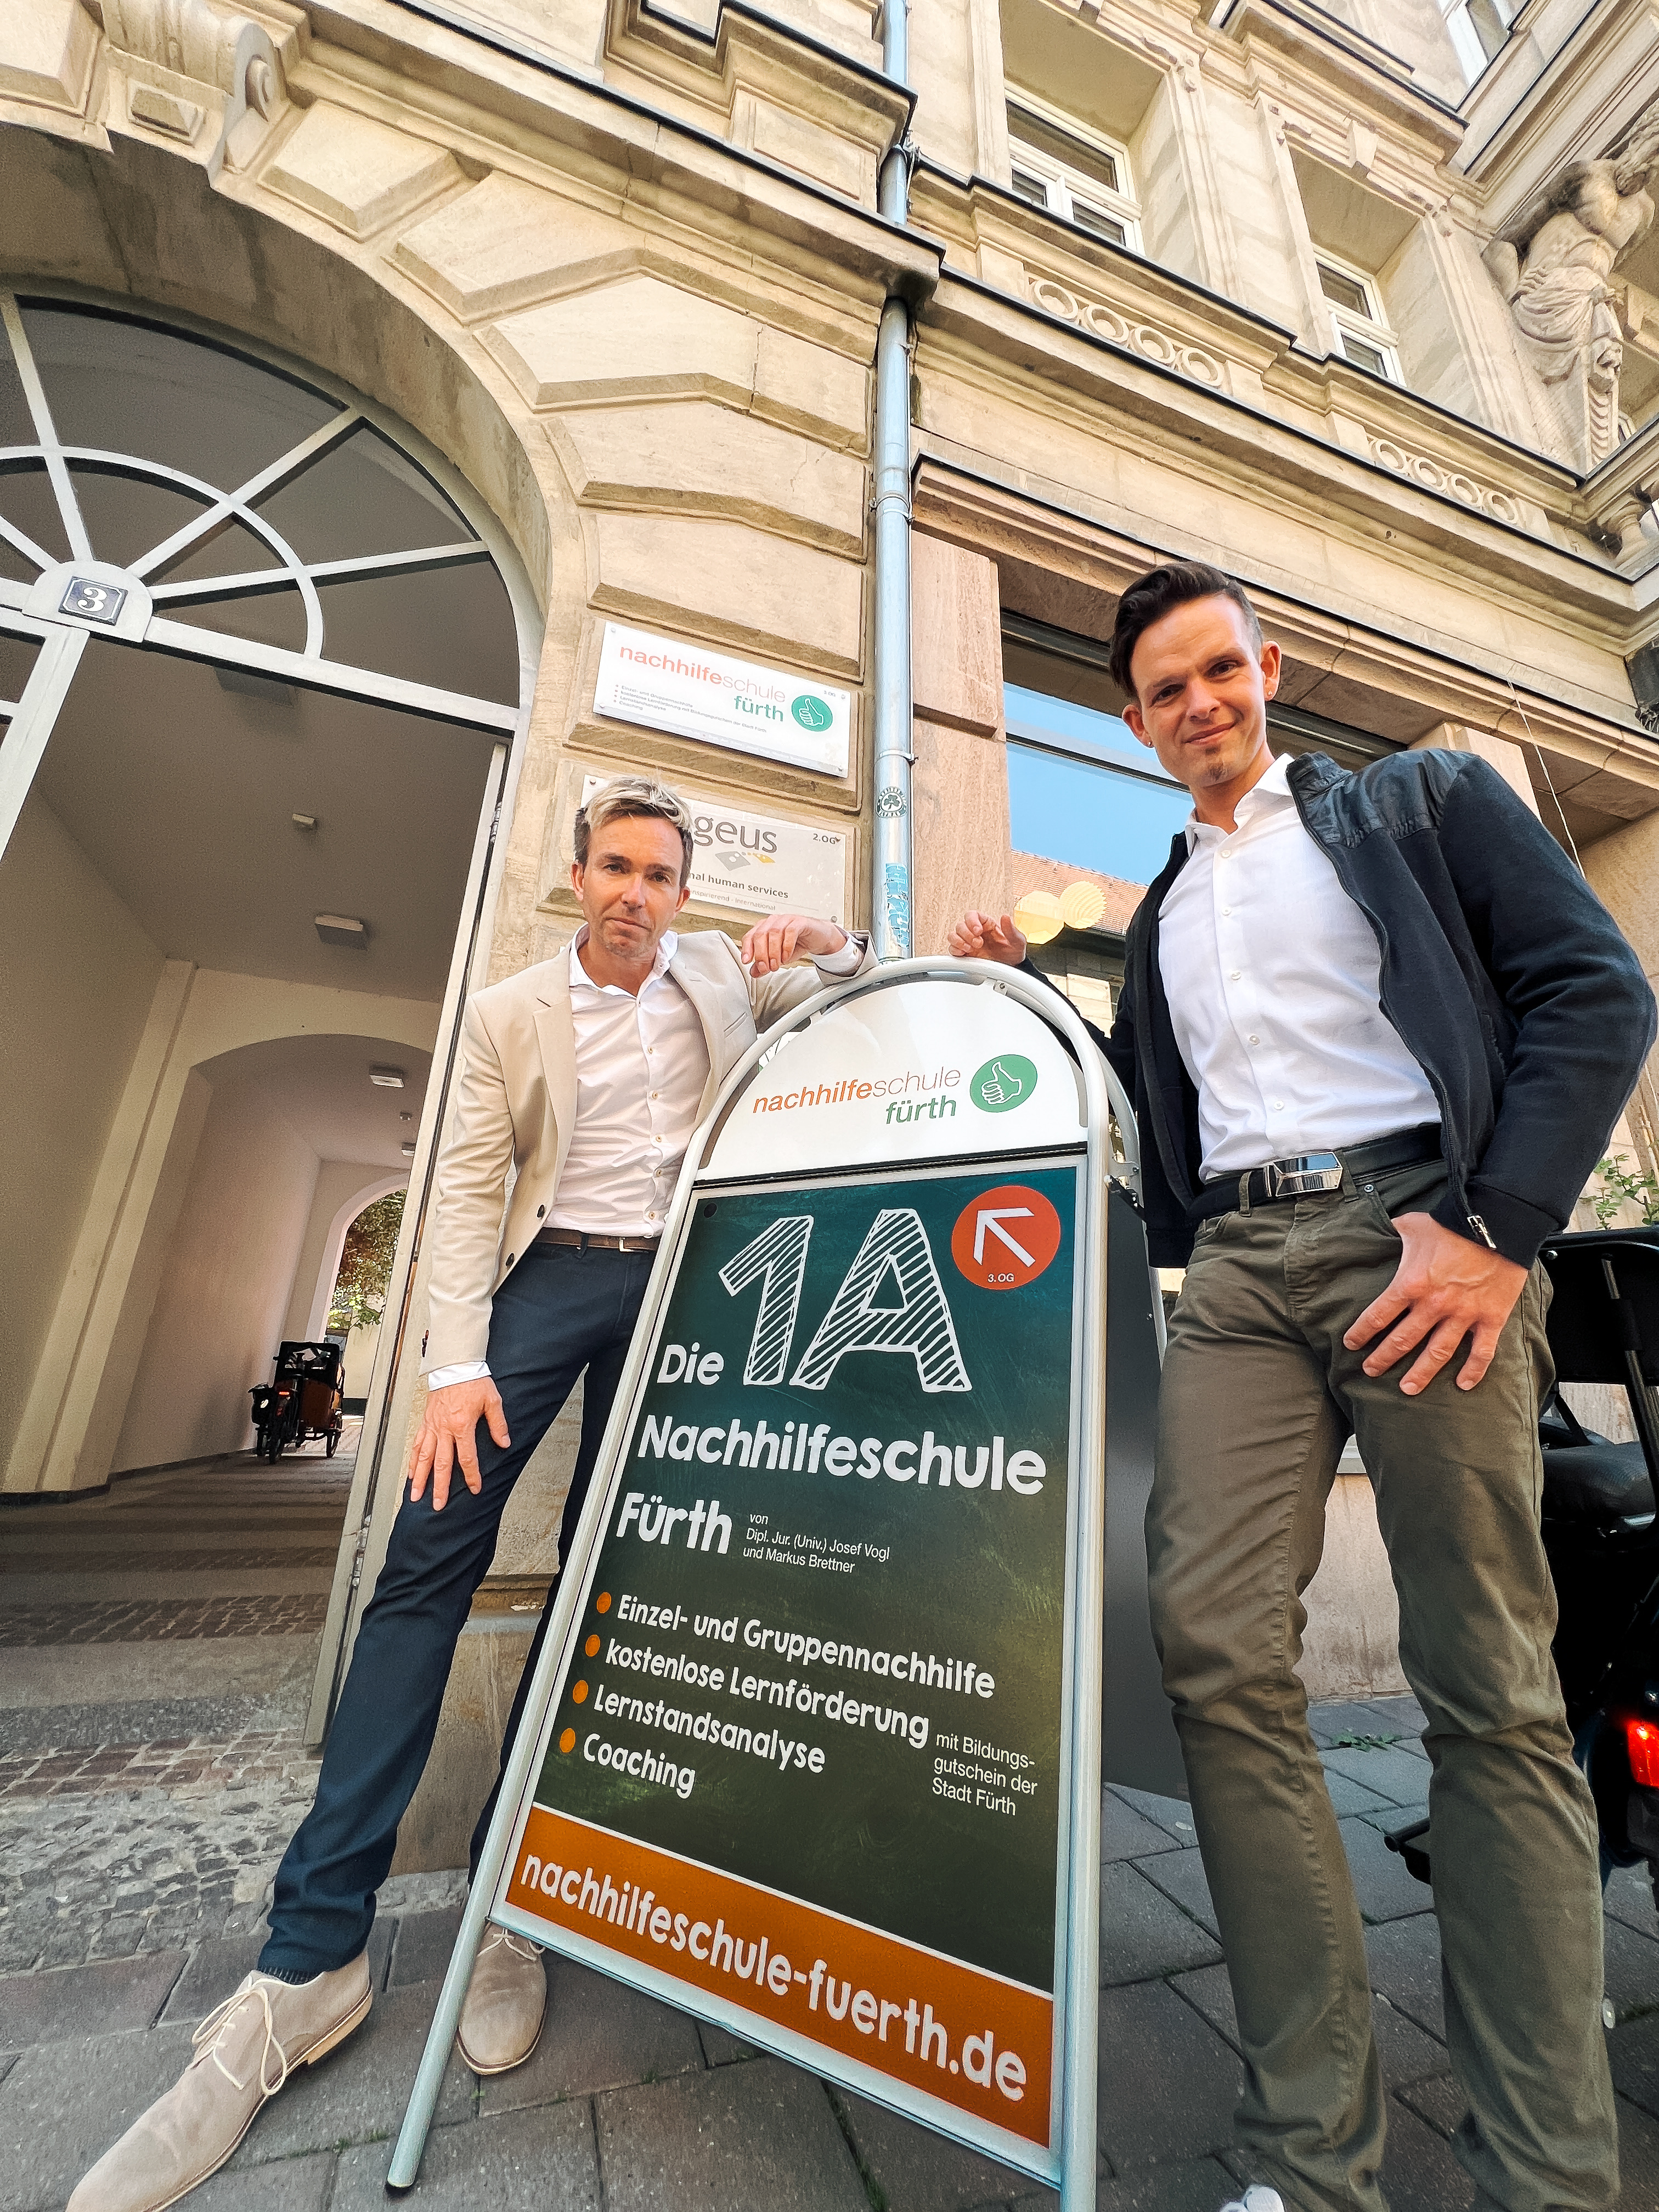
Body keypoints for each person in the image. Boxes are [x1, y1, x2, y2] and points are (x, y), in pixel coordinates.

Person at [950, 562, 1655, 2212]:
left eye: (1219, 671)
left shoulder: (1418, 801)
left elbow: (1597, 991)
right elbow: (1154, 1108)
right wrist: (1020, 985)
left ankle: (1548, 2172)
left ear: (1269, 668)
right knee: (1210, 1648)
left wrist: (1498, 1231)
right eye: (1165, 690)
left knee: (1489, 1683)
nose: (1199, 704)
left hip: (1428, 1232)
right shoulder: (1167, 906)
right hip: (1246, 1281)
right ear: (1133, 722)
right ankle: (1309, 2160)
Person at [71, 774, 874, 2212]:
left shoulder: (713, 970)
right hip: (551, 1275)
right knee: (424, 1562)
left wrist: (820, 941)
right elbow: (456, 1188)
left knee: (603, 1585)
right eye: (615, 867)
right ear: (579, 876)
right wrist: (450, 1370)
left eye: (660, 874)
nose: (636, 892)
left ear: (688, 893)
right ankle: (313, 1959)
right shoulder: (513, 1011)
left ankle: (520, 1908)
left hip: (689, 1285)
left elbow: (849, 998)